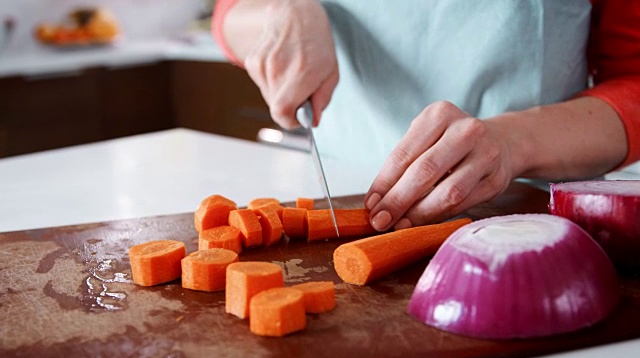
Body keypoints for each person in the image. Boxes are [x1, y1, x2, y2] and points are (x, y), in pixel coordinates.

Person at [211, 0, 640, 232]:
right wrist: (280, 12)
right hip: (337, 188)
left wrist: (513, 141)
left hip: (525, 214)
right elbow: (228, 14)